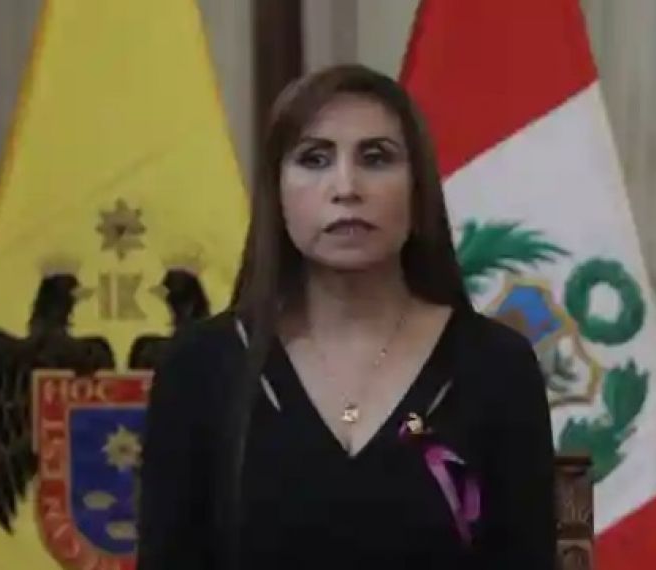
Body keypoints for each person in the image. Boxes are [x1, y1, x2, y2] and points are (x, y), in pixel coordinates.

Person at [136, 64, 556, 569]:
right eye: (314, 159)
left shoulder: (495, 366)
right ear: (277, 193)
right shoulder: (202, 367)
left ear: (418, 190)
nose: (346, 187)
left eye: (376, 158)